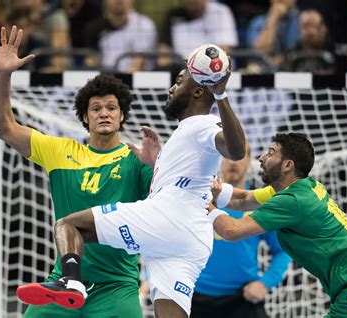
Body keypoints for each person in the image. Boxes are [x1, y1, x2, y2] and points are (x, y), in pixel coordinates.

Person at [17, 44, 247, 317]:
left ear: (198, 90)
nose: (172, 88)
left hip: (167, 220)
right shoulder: (185, 133)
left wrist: (220, 93)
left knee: (69, 224)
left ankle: (72, 281)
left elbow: (235, 150)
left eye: (179, 81)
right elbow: (187, 182)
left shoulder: (202, 125)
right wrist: (155, 163)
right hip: (191, 240)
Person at [0, 26, 153, 317]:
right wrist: (3, 74)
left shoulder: (136, 159)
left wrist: (156, 164)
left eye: (112, 108)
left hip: (116, 286)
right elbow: (3, 127)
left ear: (122, 115)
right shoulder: (60, 151)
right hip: (63, 283)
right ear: (84, 118)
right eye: (96, 108)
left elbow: (168, 199)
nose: (104, 113)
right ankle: (70, 279)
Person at [209, 133, 347, 317]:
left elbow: (231, 231)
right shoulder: (304, 187)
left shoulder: (292, 201)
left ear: (287, 165)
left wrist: (205, 205)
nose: (261, 158)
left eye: (270, 153)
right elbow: (244, 199)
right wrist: (210, 190)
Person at [191, 143, 291, 318]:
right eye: (227, 155)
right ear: (218, 160)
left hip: (242, 300)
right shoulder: (197, 200)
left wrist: (265, 283)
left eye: (239, 156)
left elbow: (282, 251)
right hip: (195, 298)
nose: (232, 162)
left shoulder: (262, 205)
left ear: (249, 161)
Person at [158, 0, 238, 71]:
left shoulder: (220, 11)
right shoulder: (173, 15)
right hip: (181, 71)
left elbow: (223, 51)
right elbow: (163, 55)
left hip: (212, 70)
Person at [83, 0, 157, 73]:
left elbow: (139, 62)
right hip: (104, 78)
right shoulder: (95, 27)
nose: (118, 1)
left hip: (135, 79)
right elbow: (91, 60)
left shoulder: (144, 25)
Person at [281, 9, 336, 74]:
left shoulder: (334, 52)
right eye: (306, 26)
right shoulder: (291, 54)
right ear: (299, 29)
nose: (311, 32)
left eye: (316, 26)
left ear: (324, 28)